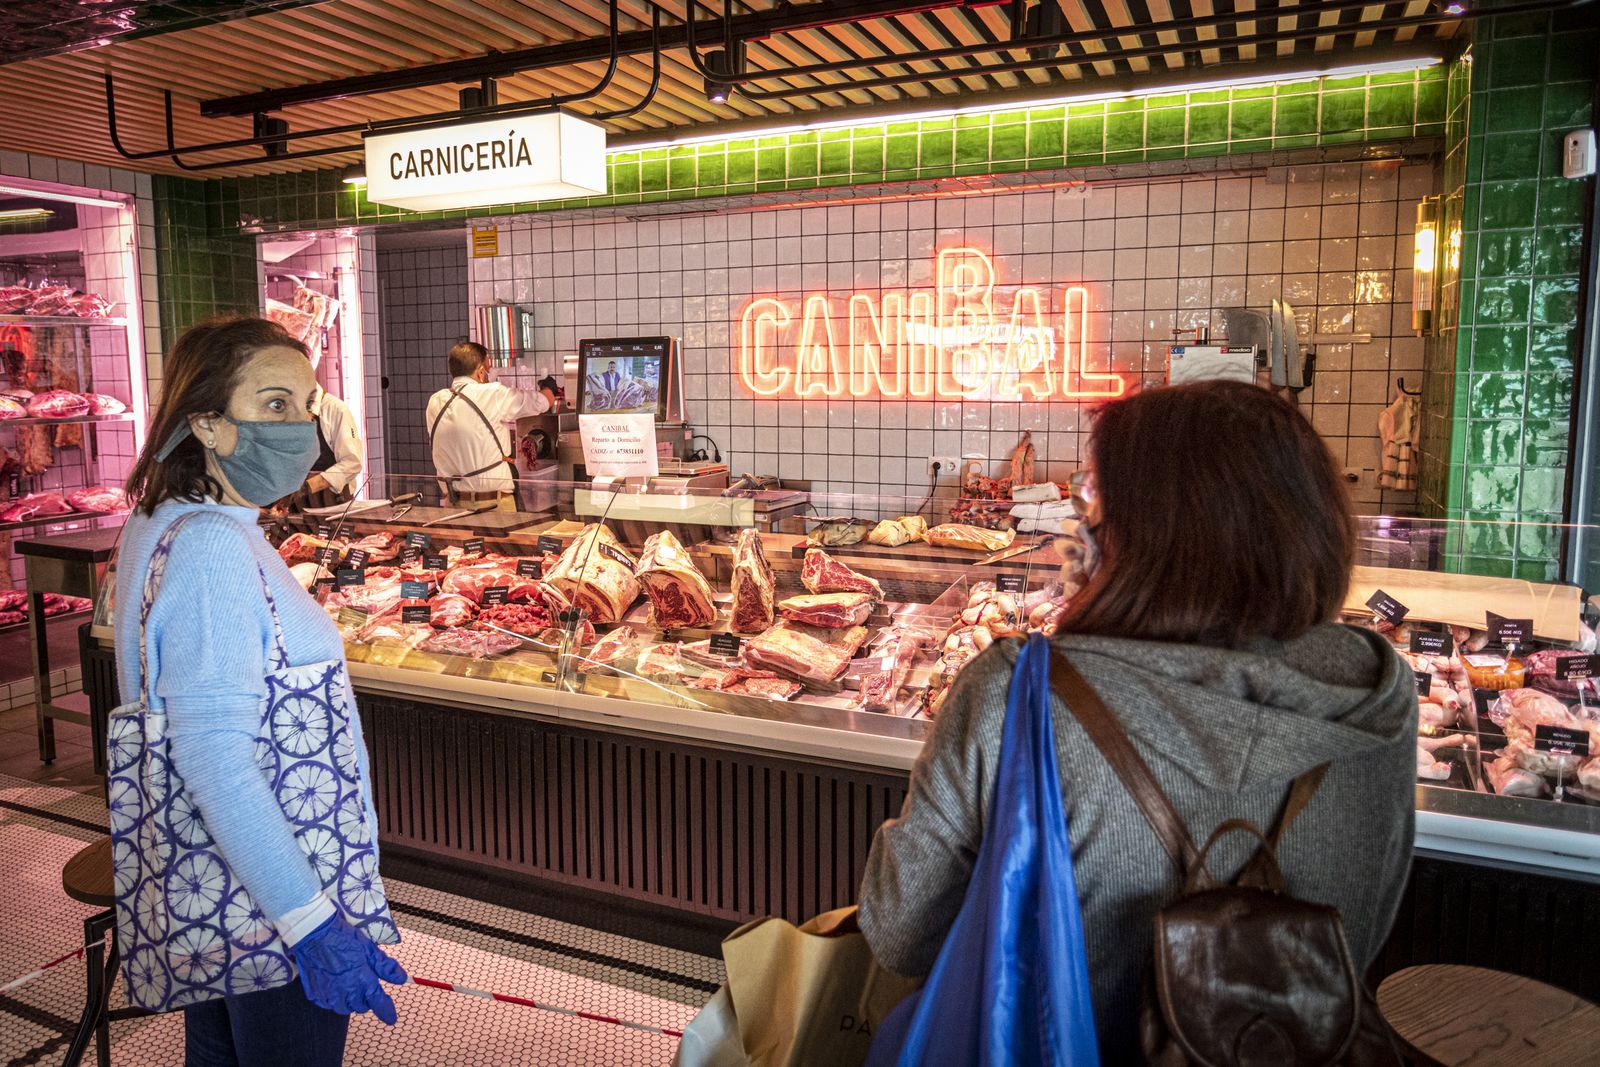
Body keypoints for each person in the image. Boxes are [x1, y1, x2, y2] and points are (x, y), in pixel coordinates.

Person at [856, 381, 1416, 1061]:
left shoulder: (1016, 689)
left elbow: (899, 933)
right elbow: (1366, 928)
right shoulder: (1376, 690)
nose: (1083, 528)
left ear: (1141, 536)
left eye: (1098, 505)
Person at [118, 316, 407, 1066]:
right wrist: (312, 923)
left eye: (307, 405)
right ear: (207, 424)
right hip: (272, 889)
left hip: (211, 883)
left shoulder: (165, 519)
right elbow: (215, 760)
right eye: (274, 404)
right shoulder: (213, 545)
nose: (301, 429)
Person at [425, 340, 555, 510]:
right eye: (488, 368)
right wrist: (549, 388)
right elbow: (541, 402)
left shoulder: (435, 402)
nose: (489, 373)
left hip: (453, 505)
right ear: (480, 372)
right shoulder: (492, 394)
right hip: (493, 505)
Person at [285, 380, 362, 511]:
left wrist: (306, 487)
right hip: (293, 506)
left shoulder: (336, 410)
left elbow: (352, 463)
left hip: (332, 505)